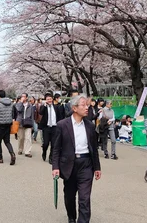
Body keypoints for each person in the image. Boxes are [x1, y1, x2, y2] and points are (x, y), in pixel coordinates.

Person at [52, 95, 101, 223]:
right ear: (74, 108)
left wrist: (97, 168)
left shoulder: (90, 125)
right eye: (83, 105)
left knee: (84, 198)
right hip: (69, 165)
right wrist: (55, 167)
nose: (87, 108)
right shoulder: (62, 125)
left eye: (87, 105)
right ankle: (72, 217)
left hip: (86, 164)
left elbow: (94, 149)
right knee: (69, 196)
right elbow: (56, 149)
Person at [14, 93, 34, 157]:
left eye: (24, 96)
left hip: (28, 123)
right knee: (21, 138)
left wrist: (32, 124)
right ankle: (20, 149)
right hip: (20, 122)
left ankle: (27, 151)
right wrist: (21, 103)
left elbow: (32, 115)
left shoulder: (30, 105)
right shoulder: (18, 104)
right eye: (22, 96)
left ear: (27, 98)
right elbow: (18, 110)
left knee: (28, 138)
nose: (23, 97)